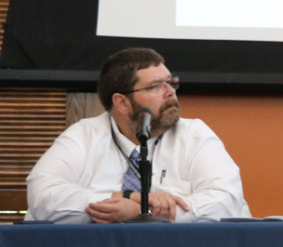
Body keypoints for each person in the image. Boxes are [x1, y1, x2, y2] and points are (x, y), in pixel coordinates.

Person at [26, 48, 251, 223]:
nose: (170, 91)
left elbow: (225, 200)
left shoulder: (195, 135)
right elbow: (42, 195)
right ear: (122, 103)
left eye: (171, 82)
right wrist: (125, 198)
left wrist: (143, 211)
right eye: (155, 86)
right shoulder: (84, 136)